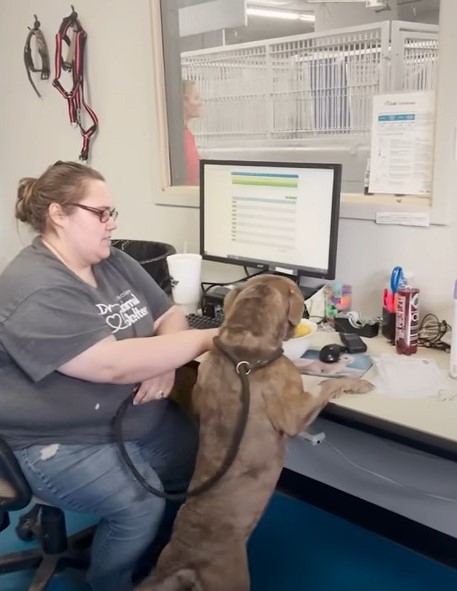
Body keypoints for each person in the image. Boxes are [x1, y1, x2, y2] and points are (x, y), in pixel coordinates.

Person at [0, 161, 218, 591]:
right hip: (60, 439)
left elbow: (170, 315)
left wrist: (165, 362)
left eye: (112, 213)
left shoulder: (112, 261)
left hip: (133, 416)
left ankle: (159, 563)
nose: (111, 223)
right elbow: (110, 363)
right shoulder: (34, 287)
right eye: (101, 213)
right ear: (58, 215)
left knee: (197, 464)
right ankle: (113, 581)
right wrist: (214, 337)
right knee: (138, 506)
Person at [183, 80, 202, 186]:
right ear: (184, 101)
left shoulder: (188, 134)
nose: (200, 103)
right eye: (196, 98)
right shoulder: (178, 138)